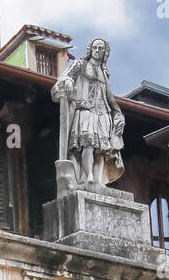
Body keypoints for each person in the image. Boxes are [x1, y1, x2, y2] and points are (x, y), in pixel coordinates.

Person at [52, 37, 126, 188]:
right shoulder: (80, 64)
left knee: (101, 151)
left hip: (103, 113)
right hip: (85, 110)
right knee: (88, 144)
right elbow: (64, 79)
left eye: (100, 48)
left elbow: (110, 99)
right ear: (90, 50)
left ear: (105, 52)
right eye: (95, 48)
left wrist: (119, 115)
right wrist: (68, 81)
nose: (97, 51)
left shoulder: (105, 74)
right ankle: (88, 176)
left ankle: (98, 181)